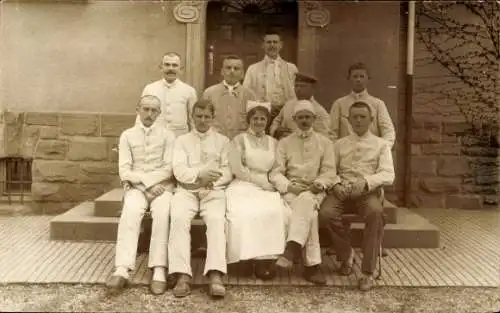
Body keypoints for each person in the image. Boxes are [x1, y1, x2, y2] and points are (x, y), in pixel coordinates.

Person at [319, 101, 395, 291]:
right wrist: (335, 184)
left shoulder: (381, 145)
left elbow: (388, 174)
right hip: (342, 192)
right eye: (354, 117)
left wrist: (366, 182)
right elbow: (328, 170)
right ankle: (346, 254)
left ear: (371, 119)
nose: (358, 120)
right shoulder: (338, 144)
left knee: (375, 214)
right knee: (326, 213)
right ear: (348, 120)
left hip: (366, 193)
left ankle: (367, 272)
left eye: (362, 117)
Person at [106, 95, 176, 296]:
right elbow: (125, 170)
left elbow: (168, 168)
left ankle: (159, 269)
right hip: (138, 188)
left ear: (159, 113)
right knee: (130, 211)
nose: (149, 114)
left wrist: (152, 184)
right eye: (145, 109)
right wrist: (145, 186)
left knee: (163, 213)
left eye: (154, 110)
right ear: (138, 109)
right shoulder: (127, 135)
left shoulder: (168, 136)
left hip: (162, 188)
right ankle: (122, 268)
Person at [269, 100, 339, 285]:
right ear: (294, 120)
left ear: (314, 119)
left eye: (308, 117)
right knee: (311, 214)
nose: (304, 121)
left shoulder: (325, 143)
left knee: (308, 201)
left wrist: (320, 183)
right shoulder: (284, 143)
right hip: (292, 190)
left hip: (316, 190)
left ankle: (292, 249)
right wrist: (290, 186)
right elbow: (276, 172)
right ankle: (311, 267)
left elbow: (330, 171)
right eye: (300, 117)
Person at [168, 100, 232, 298]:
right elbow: (178, 169)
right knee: (178, 218)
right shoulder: (181, 141)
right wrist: (200, 176)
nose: (203, 120)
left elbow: (227, 170)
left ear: (213, 118)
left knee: (216, 220)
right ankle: (183, 274)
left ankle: (215, 273)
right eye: (199, 116)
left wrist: (212, 182)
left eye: (207, 116)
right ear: (192, 117)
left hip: (213, 190)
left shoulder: (223, 141)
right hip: (187, 189)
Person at [225, 100, 290, 280]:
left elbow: (278, 168)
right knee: (243, 213)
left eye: (263, 119)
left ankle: (264, 261)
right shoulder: (239, 140)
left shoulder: (274, 143)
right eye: (255, 118)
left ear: (267, 121)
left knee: (274, 211)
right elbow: (237, 168)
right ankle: (243, 260)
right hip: (243, 184)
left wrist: (272, 183)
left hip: (268, 185)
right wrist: (258, 182)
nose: (259, 122)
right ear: (249, 120)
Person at [243, 30, 298, 132]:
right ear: (263, 45)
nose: (272, 45)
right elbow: (246, 94)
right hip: (262, 114)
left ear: (280, 45)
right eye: (268, 42)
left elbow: (297, 93)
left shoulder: (291, 68)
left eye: (275, 42)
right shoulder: (253, 69)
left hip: (285, 113)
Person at [330, 62, 395, 147]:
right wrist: (338, 150)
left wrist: (380, 150)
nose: (358, 80)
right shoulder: (339, 104)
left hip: (371, 153)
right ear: (349, 79)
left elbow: (388, 132)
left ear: (368, 79)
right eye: (355, 76)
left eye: (362, 76)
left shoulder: (378, 104)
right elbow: (331, 133)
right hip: (346, 153)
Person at [136, 52, 197, 137]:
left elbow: (193, 120)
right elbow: (140, 117)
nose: (170, 68)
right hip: (155, 139)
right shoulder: (149, 89)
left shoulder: (189, 91)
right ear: (161, 68)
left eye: (174, 65)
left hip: (179, 139)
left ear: (181, 69)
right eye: (167, 65)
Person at [203, 55, 257, 139]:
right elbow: (204, 119)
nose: (232, 71)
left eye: (236, 68)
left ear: (242, 73)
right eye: (228, 68)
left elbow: (254, 122)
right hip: (215, 140)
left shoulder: (250, 95)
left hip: (240, 141)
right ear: (222, 71)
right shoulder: (209, 93)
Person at [270, 72, 331, 140]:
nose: (298, 89)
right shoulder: (288, 105)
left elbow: (324, 136)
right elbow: (276, 121)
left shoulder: (319, 111)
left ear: (313, 89)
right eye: (296, 86)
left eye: (302, 86)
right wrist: (276, 131)